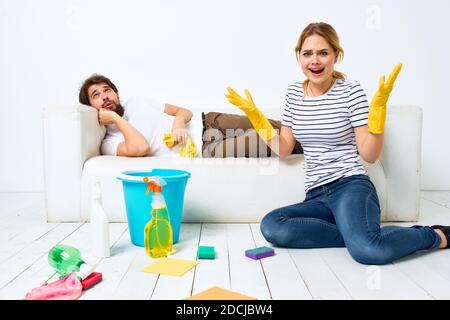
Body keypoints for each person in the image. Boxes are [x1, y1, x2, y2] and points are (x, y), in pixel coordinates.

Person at [226, 22, 450, 265]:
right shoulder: (293, 94)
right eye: (307, 53)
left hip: (351, 187)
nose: (315, 60)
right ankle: (357, 235)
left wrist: (377, 116)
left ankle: (434, 235)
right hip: (316, 196)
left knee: (369, 252)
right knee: (272, 226)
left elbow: (370, 155)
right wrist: (258, 120)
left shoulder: (350, 91)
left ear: (336, 55)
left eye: (323, 53)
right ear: (298, 56)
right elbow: (284, 149)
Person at [78, 74, 302, 158]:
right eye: (96, 95)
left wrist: (178, 123)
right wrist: (116, 119)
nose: (105, 96)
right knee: (262, 140)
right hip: (204, 149)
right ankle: (324, 148)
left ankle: (323, 129)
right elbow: (140, 148)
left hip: (208, 120)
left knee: (277, 125)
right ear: (91, 107)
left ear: (116, 92)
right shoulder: (110, 143)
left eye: (107, 90)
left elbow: (182, 111)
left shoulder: (136, 101)